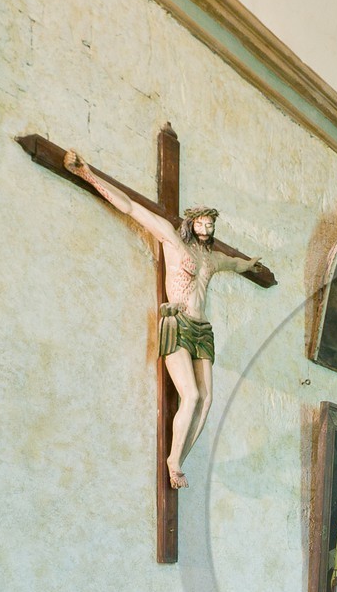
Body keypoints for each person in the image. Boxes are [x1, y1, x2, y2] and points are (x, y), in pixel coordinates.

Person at [63, 150, 266, 489]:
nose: (208, 227)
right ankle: (173, 462)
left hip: (202, 330)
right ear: (192, 222)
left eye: (212, 223)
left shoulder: (212, 259)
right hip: (178, 323)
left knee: (208, 399)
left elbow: (238, 264)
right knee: (190, 395)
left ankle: (181, 457)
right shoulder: (172, 240)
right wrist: (88, 175)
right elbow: (131, 208)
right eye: (202, 222)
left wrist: (252, 265)